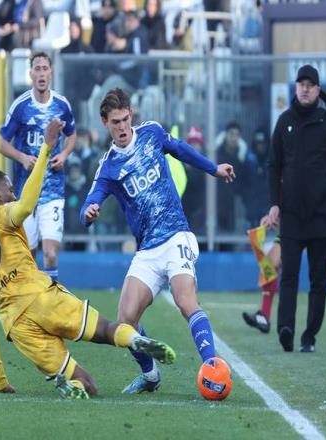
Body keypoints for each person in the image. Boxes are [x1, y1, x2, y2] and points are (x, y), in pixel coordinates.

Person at [0, 118, 176, 400]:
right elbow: (26, 206)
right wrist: (45, 149)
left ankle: (75, 386)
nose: (13, 193)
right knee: (105, 329)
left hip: (17, 326)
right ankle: (134, 339)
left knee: (87, 383)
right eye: (9, 189)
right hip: (40, 296)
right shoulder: (1, 214)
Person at [80, 88, 235, 394]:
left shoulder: (151, 133)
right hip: (148, 250)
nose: (122, 127)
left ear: (131, 115)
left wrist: (214, 168)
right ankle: (151, 376)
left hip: (176, 234)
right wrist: (89, 212)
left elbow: (180, 149)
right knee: (125, 321)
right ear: (104, 122)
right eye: (115, 122)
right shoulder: (108, 167)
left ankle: (213, 368)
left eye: (125, 119)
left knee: (185, 300)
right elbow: (90, 201)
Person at [263, 64, 326, 353]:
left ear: (318, 89)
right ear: (296, 88)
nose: (305, 88)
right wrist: (274, 204)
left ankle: (309, 336)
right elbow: (273, 165)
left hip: (320, 216)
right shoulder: (284, 122)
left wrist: (325, 189)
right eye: (301, 84)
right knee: (289, 276)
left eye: (310, 84)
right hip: (291, 215)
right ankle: (286, 329)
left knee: (318, 281)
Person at [0, 51, 77, 282]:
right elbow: (2, 144)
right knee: (29, 255)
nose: (41, 73)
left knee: (51, 254)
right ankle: (32, 298)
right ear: (31, 74)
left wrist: (64, 154)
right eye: (37, 69)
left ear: (50, 73)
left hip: (53, 189)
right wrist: (22, 158)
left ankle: (52, 299)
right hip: (26, 192)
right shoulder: (21, 106)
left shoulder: (61, 105)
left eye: (45, 68)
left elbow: (72, 135)